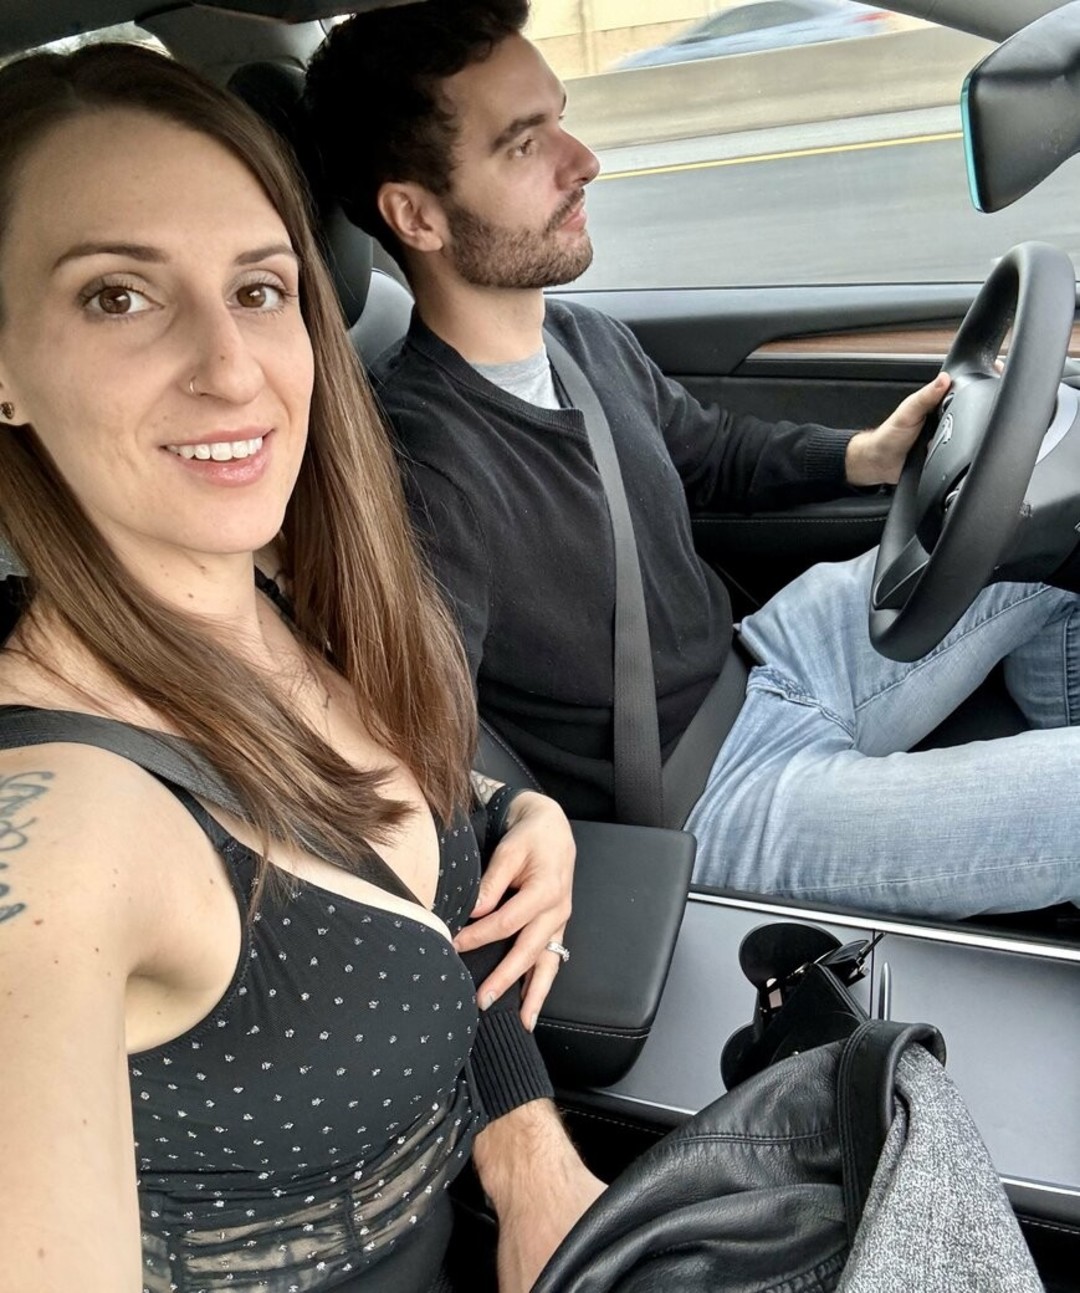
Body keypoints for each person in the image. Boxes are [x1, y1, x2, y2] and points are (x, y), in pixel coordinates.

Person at [0, 42, 605, 1293]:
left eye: (260, 289)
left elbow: (380, 845)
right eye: (118, 297)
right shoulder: (58, 839)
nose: (232, 369)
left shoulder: (292, 595)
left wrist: (508, 811)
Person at [305, 0, 1080, 921]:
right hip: (709, 799)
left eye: (561, 118)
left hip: (764, 660)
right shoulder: (421, 470)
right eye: (525, 144)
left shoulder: (582, 341)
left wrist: (864, 456)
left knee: (1039, 555)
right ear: (416, 216)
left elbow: (709, 452)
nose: (583, 161)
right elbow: (417, 741)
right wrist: (517, 821)